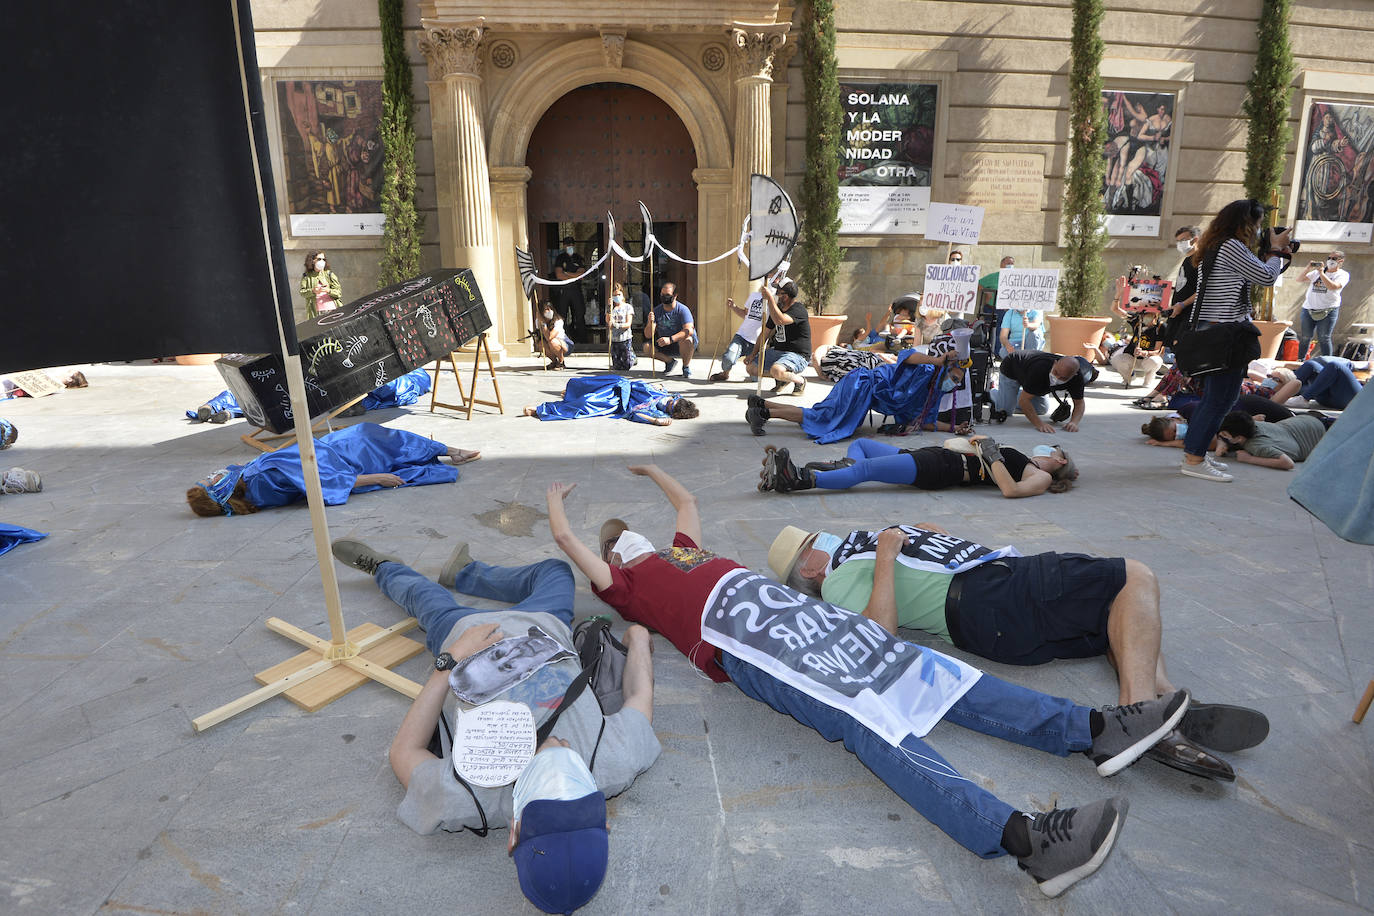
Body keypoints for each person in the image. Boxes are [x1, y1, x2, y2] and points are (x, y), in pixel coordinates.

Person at [546, 464, 1192, 898]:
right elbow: (573, 546)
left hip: (801, 617)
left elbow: (686, 504)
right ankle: (1021, 837)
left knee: (926, 669)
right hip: (749, 647)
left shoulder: (680, 550)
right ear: (611, 565)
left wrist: (652, 472)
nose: (626, 542)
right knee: (865, 717)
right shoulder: (627, 588)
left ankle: (1092, 729)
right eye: (616, 544)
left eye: (629, 535)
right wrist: (558, 517)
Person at [767, 523, 1268, 781]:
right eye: (813, 543)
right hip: (994, 602)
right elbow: (880, 632)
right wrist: (885, 557)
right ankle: (1139, 716)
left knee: (1120, 616)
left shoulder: (857, 552)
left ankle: (1162, 703)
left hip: (997, 606)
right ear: (809, 570)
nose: (823, 540)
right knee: (1134, 576)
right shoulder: (837, 581)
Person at [328, 537, 659, 914]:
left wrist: (450, 660)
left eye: (544, 794)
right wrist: (639, 640)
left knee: (420, 594)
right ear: (604, 822)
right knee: (554, 570)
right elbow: (638, 695)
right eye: (577, 793)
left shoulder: (467, 798)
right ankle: (468, 572)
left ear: (513, 834)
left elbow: (403, 752)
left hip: (461, 631)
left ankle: (384, 567)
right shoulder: (617, 761)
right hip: (543, 623)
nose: (558, 752)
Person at [1175, 199, 1291, 483]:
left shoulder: (1217, 245)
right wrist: (1276, 250)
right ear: (1245, 223)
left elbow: (1253, 275)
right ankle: (1194, 459)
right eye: (1257, 223)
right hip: (1224, 334)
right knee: (1218, 401)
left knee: (1218, 400)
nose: (1259, 229)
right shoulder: (1230, 246)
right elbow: (1266, 277)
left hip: (1218, 332)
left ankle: (1194, 453)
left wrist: (1273, 254)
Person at [184, 422, 479, 516]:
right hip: (339, 457)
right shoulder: (262, 478)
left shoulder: (252, 493)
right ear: (222, 491)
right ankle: (449, 451)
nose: (213, 474)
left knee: (384, 445)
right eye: (211, 481)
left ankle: (443, 451)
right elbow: (315, 479)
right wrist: (371, 479)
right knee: (371, 434)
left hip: (328, 454)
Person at [756, 435, 1077, 498]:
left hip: (942, 468)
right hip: (938, 454)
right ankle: (840, 468)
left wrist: (992, 452)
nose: (1046, 449)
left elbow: (1010, 489)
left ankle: (799, 478)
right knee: (863, 447)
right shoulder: (1029, 459)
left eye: (1053, 449)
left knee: (866, 472)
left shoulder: (1042, 476)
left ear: (1059, 460)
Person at [745, 346, 957, 441]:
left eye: (957, 381)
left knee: (820, 412)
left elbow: (926, 422)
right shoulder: (927, 369)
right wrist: (938, 360)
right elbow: (907, 355)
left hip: (858, 386)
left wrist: (955, 428)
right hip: (860, 386)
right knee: (822, 418)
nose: (953, 383)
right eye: (953, 377)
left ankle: (762, 405)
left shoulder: (933, 394)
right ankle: (764, 415)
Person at [185, 369, 433, 425]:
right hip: (353, 387)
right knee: (288, 398)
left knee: (276, 392)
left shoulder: (412, 379)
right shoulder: (416, 379)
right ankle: (227, 410)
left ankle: (219, 407)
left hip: (343, 382)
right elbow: (393, 390)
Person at [522, 375, 699, 427]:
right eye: (671, 401)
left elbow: (634, 413)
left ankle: (541, 410)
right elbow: (657, 386)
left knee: (586, 403)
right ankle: (570, 393)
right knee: (588, 383)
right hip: (619, 384)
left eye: (670, 407)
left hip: (617, 401)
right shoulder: (665, 393)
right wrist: (660, 388)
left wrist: (655, 421)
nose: (667, 403)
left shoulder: (657, 412)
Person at [993, 351, 1090, 432]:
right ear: (1055, 363)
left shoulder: (1077, 378)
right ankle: (993, 392)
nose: (1057, 378)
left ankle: (1021, 393)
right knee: (1006, 410)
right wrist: (1039, 424)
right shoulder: (1040, 369)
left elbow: (1079, 403)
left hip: (1032, 377)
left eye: (1063, 378)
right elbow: (1024, 401)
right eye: (1056, 372)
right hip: (1012, 367)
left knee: (1041, 409)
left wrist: (1074, 422)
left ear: (1074, 375)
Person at [1217, 411, 1328, 470]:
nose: (1222, 436)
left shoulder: (1257, 446)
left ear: (1239, 438)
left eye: (1225, 435)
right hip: (1304, 420)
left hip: (1319, 437)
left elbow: (1288, 463)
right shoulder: (1252, 424)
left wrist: (1249, 459)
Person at [759, 279, 811, 395]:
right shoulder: (777, 309)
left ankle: (800, 381)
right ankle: (783, 379)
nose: (776, 294)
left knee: (776, 370)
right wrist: (753, 354)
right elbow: (765, 333)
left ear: (785, 296)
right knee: (752, 368)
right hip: (779, 352)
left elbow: (780, 320)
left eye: (778, 292)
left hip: (798, 355)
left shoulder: (799, 310)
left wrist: (770, 299)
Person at [1297, 251, 1349, 357]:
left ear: (1341, 261)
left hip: (1328, 310)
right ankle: (1300, 360)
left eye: (1334, 258)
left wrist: (1322, 273)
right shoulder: (1316, 272)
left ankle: (1327, 363)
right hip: (1309, 308)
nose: (1330, 260)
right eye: (1329, 257)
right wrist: (1308, 268)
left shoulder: (1343, 274)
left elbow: (1333, 287)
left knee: (1324, 337)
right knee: (1306, 337)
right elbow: (1300, 279)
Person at [643, 282, 695, 378]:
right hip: (665, 345)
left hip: (679, 343)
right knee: (647, 347)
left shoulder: (683, 310)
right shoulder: (656, 311)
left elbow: (689, 330)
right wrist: (650, 323)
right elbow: (648, 335)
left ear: (675, 295)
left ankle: (686, 366)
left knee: (688, 340)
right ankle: (669, 361)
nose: (664, 297)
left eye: (667, 295)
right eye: (662, 295)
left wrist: (670, 339)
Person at [710, 292, 765, 381]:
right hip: (742, 336)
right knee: (728, 359)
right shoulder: (754, 295)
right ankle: (725, 374)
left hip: (757, 342)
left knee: (756, 379)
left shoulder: (775, 299)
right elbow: (745, 314)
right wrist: (733, 307)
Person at [1290, 356, 1365, 409]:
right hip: (1330, 398)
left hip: (1358, 401)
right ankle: (1282, 392)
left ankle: (1304, 399)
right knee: (1311, 365)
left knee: (1335, 366)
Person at [553, 235, 587, 334]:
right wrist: (575, 275)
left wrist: (567, 273)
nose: (570, 246)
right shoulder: (560, 258)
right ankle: (563, 336)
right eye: (568, 245)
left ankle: (582, 340)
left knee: (579, 315)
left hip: (576, 290)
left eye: (571, 245)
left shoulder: (578, 258)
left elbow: (582, 275)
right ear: (564, 246)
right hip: (564, 290)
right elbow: (559, 275)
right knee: (562, 315)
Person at [298, 250, 342, 318]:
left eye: (323, 259)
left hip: (333, 310)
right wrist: (313, 291)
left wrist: (328, 290)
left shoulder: (329, 274)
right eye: (319, 259)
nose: (322, 261)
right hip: (316, 312)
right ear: (312, 261)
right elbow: (302, 292)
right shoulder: (306, 276)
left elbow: (338, 293)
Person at [608, 283, 636, 372]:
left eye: (619, 294)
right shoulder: (611, 308)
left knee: (626, 365)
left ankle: (632, 357)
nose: (617, 297)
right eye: (614, 295)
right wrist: (609, 307)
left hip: (625, 337)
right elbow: (607, 320)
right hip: (614, 338)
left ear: (622, 294)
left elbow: (628, 324)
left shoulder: (628, 307)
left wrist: (617, 325)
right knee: (617, 366)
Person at [538, 304, 574, 370]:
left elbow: (549, 337)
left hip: (564, 344)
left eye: (550, 309)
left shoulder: (558, 321)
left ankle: (561, 362)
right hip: (550, 344)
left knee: (553, 341)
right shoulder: (539, 322)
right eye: (546, 309)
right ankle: (554, 362)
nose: (549, 311)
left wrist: (544, 325)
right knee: (541, 343)